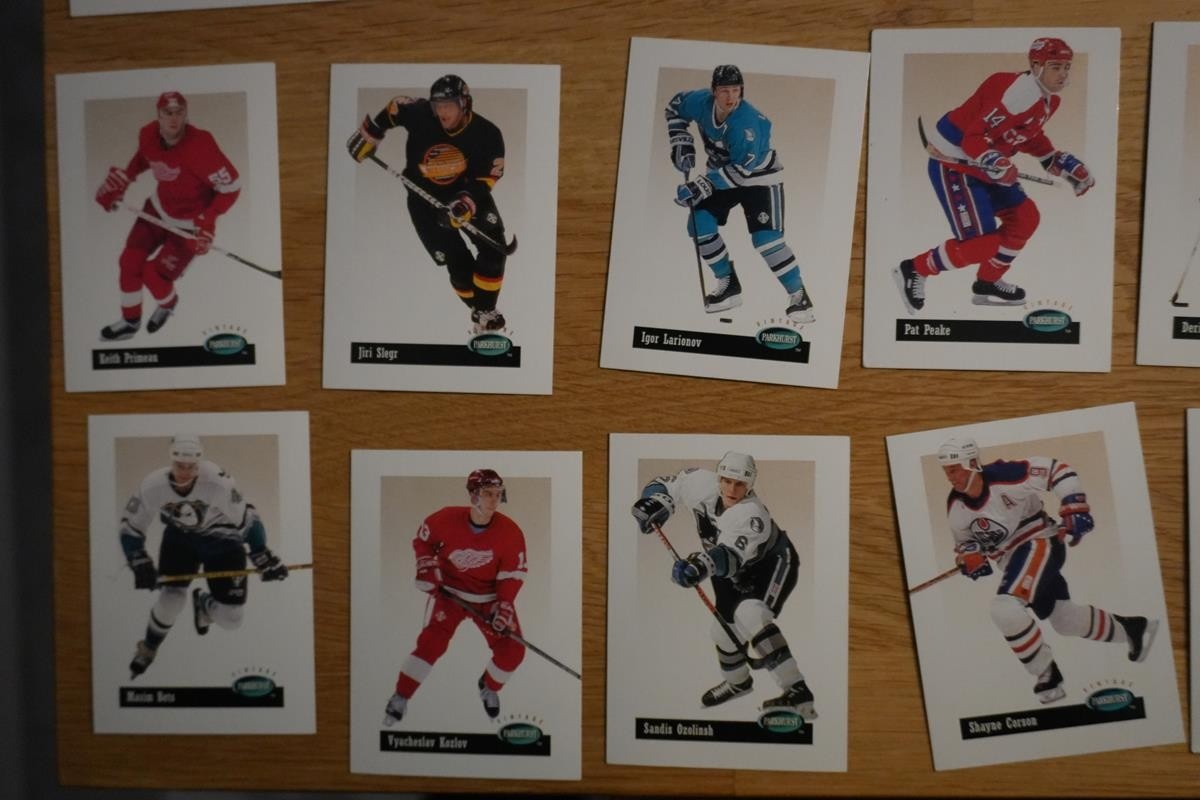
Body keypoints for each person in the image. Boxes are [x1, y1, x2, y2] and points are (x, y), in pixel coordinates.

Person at [937, 437, 1158, 703]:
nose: (950, 477)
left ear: (972, 463)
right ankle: (1133, 628)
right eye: (946, 471)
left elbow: (1057, 470)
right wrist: (970, 556)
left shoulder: (1004, 475)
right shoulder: (956, 505)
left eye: (954, 469)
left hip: (1039, 541)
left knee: (1004, 608)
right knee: (1065, 620)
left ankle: (1046, 674)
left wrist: (1073, 506)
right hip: (1011, 560)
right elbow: (965, 542)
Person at [894, 38, 1095, 313]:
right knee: (982, 245)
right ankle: (914, 269)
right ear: (1036, 65)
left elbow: (1024, 133)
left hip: (985, 163)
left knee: (1025, 218)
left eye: (1066, 67)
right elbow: (973, 138)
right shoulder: (1018, 95)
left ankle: (987, 282)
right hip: (955, 164)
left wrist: (1053, 159)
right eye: (1055, 67)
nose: (1063, 74)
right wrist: (995, 160)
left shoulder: (1048, 98)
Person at [630, 452, 816, 719]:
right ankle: (738, 683)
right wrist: (655, 501)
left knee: (750, 615)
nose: (732, 489)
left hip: (769, 565)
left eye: (740, 484)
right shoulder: (700, 483)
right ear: (718, 478)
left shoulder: (751, 514)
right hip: (724, 567)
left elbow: (729, 557)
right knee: (721, 632)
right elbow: (664, 484)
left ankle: (797, 690)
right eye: (727, 481)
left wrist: (698, 566)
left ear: (750, 485)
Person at [346, 75, 510, 334]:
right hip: (423, 199)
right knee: (456, 261)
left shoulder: (487, 133)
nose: (442, 112)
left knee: (494, 249)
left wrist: (465, 204)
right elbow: (395, 107)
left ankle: (485, 310)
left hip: (466, 193)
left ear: (465, 103)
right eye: (438, 105)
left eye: (449, 105)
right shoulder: (421, 114)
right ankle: (480, 312)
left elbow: (487, 177)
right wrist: (370, 133)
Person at [119, 434, 289, 679]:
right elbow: (131, 526)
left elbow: (248, 517)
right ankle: (149, 647)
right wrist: (137, 559)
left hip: (224, 542)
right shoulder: (152, 485)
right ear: (171, 461)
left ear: (199, 463)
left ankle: (204, 604)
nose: (185, 473)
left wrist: (262, 553)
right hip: (181, 540)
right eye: (180, 466)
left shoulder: (218, 482)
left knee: (232, 619)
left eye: (191, 467)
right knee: (170, 600)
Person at [666, 65, 814, 324]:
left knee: (766, 240)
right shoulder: (700, 102)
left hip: (759, 178)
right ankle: (728, 286)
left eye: (736, 90)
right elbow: (674, 107)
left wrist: (698, 187)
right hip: (721, 174)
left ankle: (799, 295)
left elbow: (741, 172)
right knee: (699, 224)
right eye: (725, 91)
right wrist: (680, 139)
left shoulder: (746, 124)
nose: (731, 97)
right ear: (714, 91)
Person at [382, 469, 528, 725]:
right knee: (431, 643)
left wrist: (504, 604)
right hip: (450, 594)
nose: (494, 499)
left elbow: (512, 574)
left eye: (498, 493)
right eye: (487, 493)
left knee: (513, 650)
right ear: (473, 496)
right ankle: (401, 695)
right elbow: (423, 540)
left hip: (488, 598)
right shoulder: (445, 518)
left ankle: (489, 686)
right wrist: (426, 565)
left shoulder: (511, 532)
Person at [94, 91, 241, 340]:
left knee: (153, 274)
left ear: (186, 115)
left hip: (189, 226)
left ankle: (168, 304)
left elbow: (231, 188)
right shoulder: (148, 133)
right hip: (157, 210)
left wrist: (208, 221)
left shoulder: (201, 146)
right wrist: (126, 178)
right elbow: (146, 156)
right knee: (129, 262)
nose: (173, 119)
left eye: (179, 112)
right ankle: (130, 322)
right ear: (159, 116)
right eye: (167, 113)